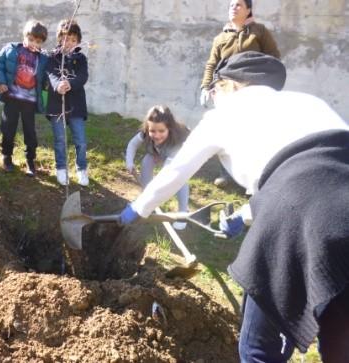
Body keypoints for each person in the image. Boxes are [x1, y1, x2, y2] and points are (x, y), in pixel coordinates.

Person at [120, 51, 349, 362]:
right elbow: (316, 173)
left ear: (230, 86)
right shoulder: (311, 103)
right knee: (341, 344)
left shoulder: (223, 115)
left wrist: (139, 207)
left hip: (291, 214)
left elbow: (177, 171)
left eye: (214, 91)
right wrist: (245, 215)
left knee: (257, 350)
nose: (213, 98)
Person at [199, 0, 281, 187]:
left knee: (253, 132)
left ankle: (256, 177)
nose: (233, 8)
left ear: (248, 10)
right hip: (225, 89)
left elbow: (273, 57)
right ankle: (226, 174)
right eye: (231, 5)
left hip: (253, 89)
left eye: (238, 5)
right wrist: (205, 87)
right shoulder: (220, 37)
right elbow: (212, 64)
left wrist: (267, 83)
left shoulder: (259, 31)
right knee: (227, 131)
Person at [0, 20, 48, 176]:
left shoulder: (43, 58)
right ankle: (7, 156)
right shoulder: (11, 49)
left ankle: (30, 159)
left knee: (30, 131)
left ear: (42, 43)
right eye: (30, 39)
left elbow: (47, 77)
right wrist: (1, 82)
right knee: (8, 128)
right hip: (12, 97)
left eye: (37, 41)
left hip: (29, 101)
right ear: (25, 36)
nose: (33, 44)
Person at [125, 105, 190, 230]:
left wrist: (153, 197)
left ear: (169, 128)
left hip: (182, 156)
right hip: (160, 152)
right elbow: (132, 145)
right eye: (152, 131)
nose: (156, 135)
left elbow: (165, 176)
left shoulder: (178, 141)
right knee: (146, 161)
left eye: (161, 131)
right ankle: (146, 200)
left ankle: (183, 213)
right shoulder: (146, 133)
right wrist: (129, 162)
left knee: (180, 178)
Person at [45, 19, 89, 186]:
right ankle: (61, 168)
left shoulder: (80, 58)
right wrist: (58, 86)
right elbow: (51, 75)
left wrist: (70, 84)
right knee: (60, 140)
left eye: (72, 40)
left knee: (80, 140)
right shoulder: (53, 57)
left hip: (76, 106)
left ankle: (81, 168)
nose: (68, 43)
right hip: (57, 107)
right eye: (65, 38)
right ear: (59, 38)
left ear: (78, 41)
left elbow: (83, 76)